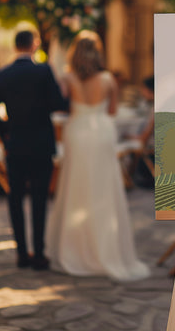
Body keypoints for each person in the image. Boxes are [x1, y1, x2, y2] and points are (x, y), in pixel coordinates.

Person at [45, 30, 150, 281]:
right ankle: (104, 251)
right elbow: (112, 112)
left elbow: (63, 106)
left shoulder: (67, 77)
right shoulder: (108, 80)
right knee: (102, 190)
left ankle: (74, 251)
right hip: (101, 132)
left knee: (75, 187)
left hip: (77, 131)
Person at [0, 30, 68, 270]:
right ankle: (39, 254)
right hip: (41, 144)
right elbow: (58, 104)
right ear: (33, 45)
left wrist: (6, 133)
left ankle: (22, 254)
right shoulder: (44, 71)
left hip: (16, 145)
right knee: (39, 199)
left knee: (15, 199)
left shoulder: (3, 74)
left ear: (15, 46)